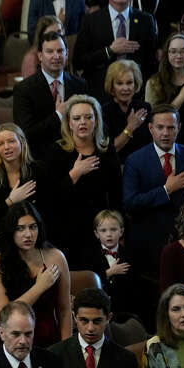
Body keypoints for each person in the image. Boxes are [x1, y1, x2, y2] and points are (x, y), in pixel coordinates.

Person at [0, 202, 72, 346]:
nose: (28, 234)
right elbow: (2, 315)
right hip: (11, 340)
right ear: (10, 231)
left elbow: (65, 311)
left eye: (33, 227)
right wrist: (39, 287)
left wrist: (67, 349)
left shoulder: (56, 257)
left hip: (49, 339)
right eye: (20, 229)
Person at [47, 94, 122, 256]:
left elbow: (117, 193)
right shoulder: (57, 151)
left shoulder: (106, 149)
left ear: (96, 121)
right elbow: (51, 198)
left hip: (102, 229)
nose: (83, 122)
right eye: (77, 118)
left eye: (88, 117)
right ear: (69, 123)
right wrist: (75, 173)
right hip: (67, 229)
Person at [125, 105, 184, 272]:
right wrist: (166, 190)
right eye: (160, 127)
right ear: (150, 128)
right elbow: (130, 204)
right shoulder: (135, 161)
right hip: (148, 245)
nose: (165, 133)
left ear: (179, 128)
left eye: (171, 128)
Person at [12, 31, 89, 160]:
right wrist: (58, 115)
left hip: (77, 155)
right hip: (40, 159)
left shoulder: (80, 85)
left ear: (67, 54)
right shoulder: (24, 89)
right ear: (40, 56)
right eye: (50, 51)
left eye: (60, 51)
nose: (56, 56)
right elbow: (26, 134)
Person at [0, 123, 50, 255]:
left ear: (22, 142)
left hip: (34, 242)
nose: (6, 147)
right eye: (0, 144)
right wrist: (10, 201)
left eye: (11, 141)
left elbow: (47, 212)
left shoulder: (38, 170)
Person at [73, 0, 157, 100]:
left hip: (136, 95)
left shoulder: (146, 19)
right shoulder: (91, 20)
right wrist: (109, 51)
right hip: (100, 93)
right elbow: (78, 61)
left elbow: (151, 63)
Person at [145, 33, 184, 149]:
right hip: (164, 143)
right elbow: (153, 119)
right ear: (166, 54)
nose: (178, 56)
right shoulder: (153, 83)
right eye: (173, 51)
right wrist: (181, 97)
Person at [102, 59, 151, 163]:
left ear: (135, 84)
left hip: (143, 165)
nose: (125, 88)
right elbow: (110, 150)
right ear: (112, 86)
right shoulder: (104, 111)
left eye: (129, 83)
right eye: (119, 83)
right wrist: (130, 127)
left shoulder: (144, 108)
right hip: (116, 167)